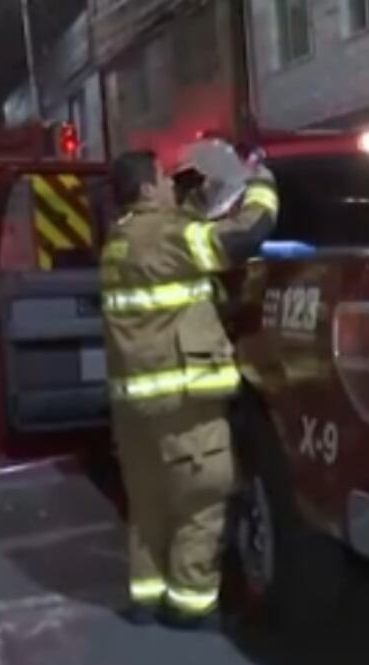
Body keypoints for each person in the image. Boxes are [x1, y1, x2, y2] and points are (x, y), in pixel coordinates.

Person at [99, 140, 279, 630]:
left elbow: (181, 230)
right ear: (146, 189)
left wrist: (206, 195)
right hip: (182, 402)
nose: (170, 186)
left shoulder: (120, 240)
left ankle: (146, 596)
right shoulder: (170, 236)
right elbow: (243, 236)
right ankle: (191, 604)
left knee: (149, 501)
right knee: (201, 496)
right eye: (163, 179)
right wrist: (260, 184)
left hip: (135, 405)